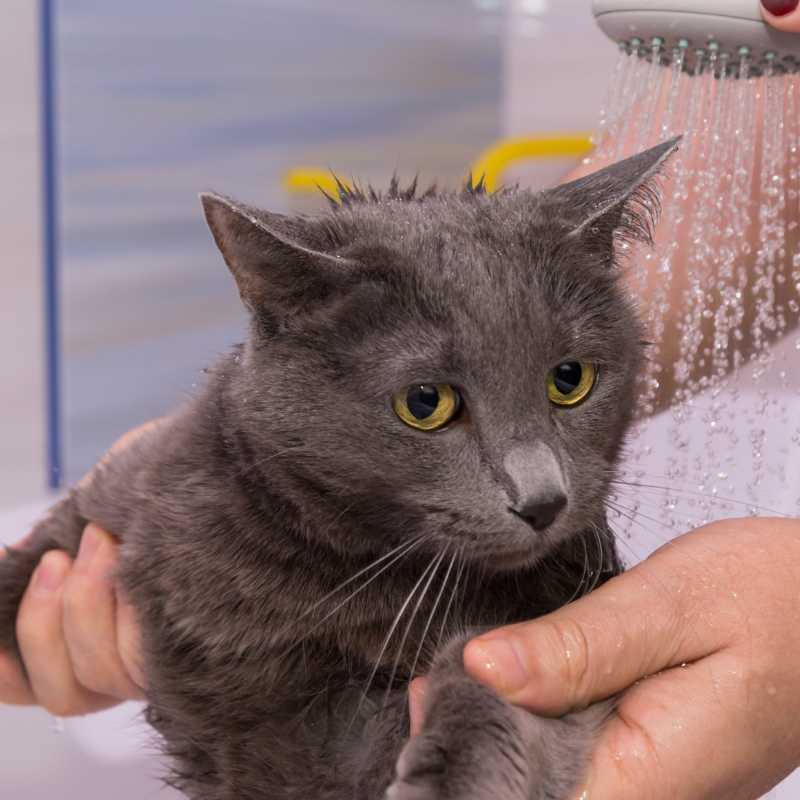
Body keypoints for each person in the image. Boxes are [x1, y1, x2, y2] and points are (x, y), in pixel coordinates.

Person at [3, 3, 800, 797]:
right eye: (429, 403)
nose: (542, 490)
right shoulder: (190, 480)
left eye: (569, 382)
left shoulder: (547, 572)